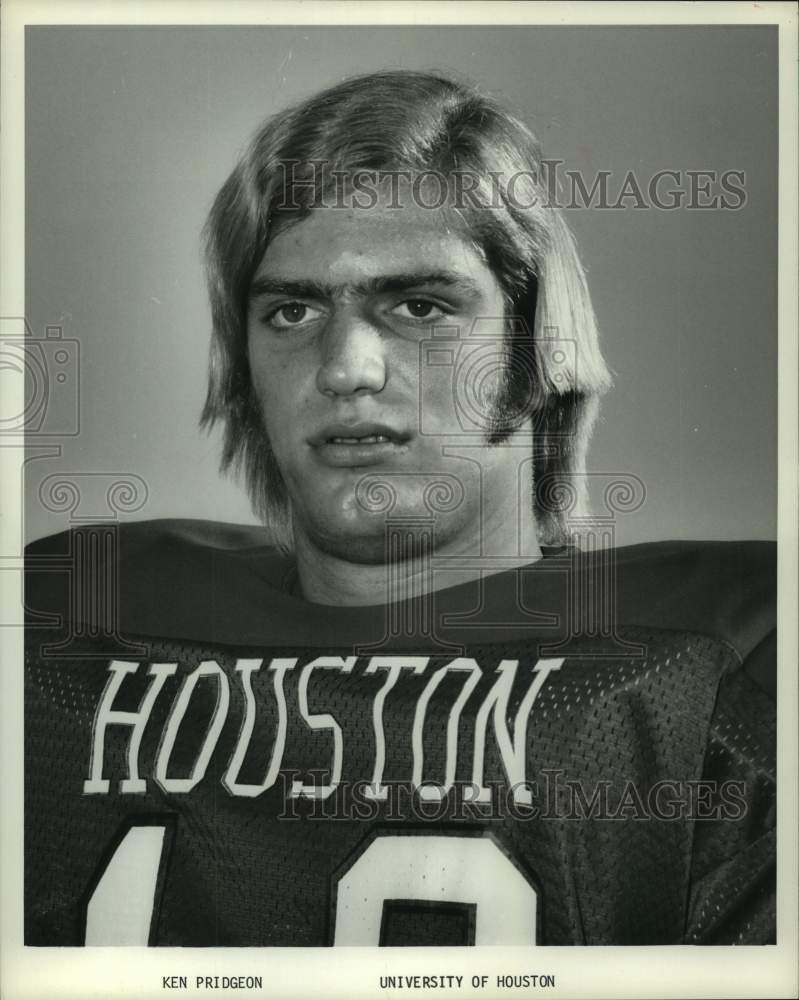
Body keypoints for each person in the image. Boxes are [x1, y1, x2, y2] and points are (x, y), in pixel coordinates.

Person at [24, 70, 775, 946]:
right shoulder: (68, 612)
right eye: (292, 310)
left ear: (540, 348)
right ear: (243, 364)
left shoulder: (722, 652)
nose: (345, 367)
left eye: (420, 306)